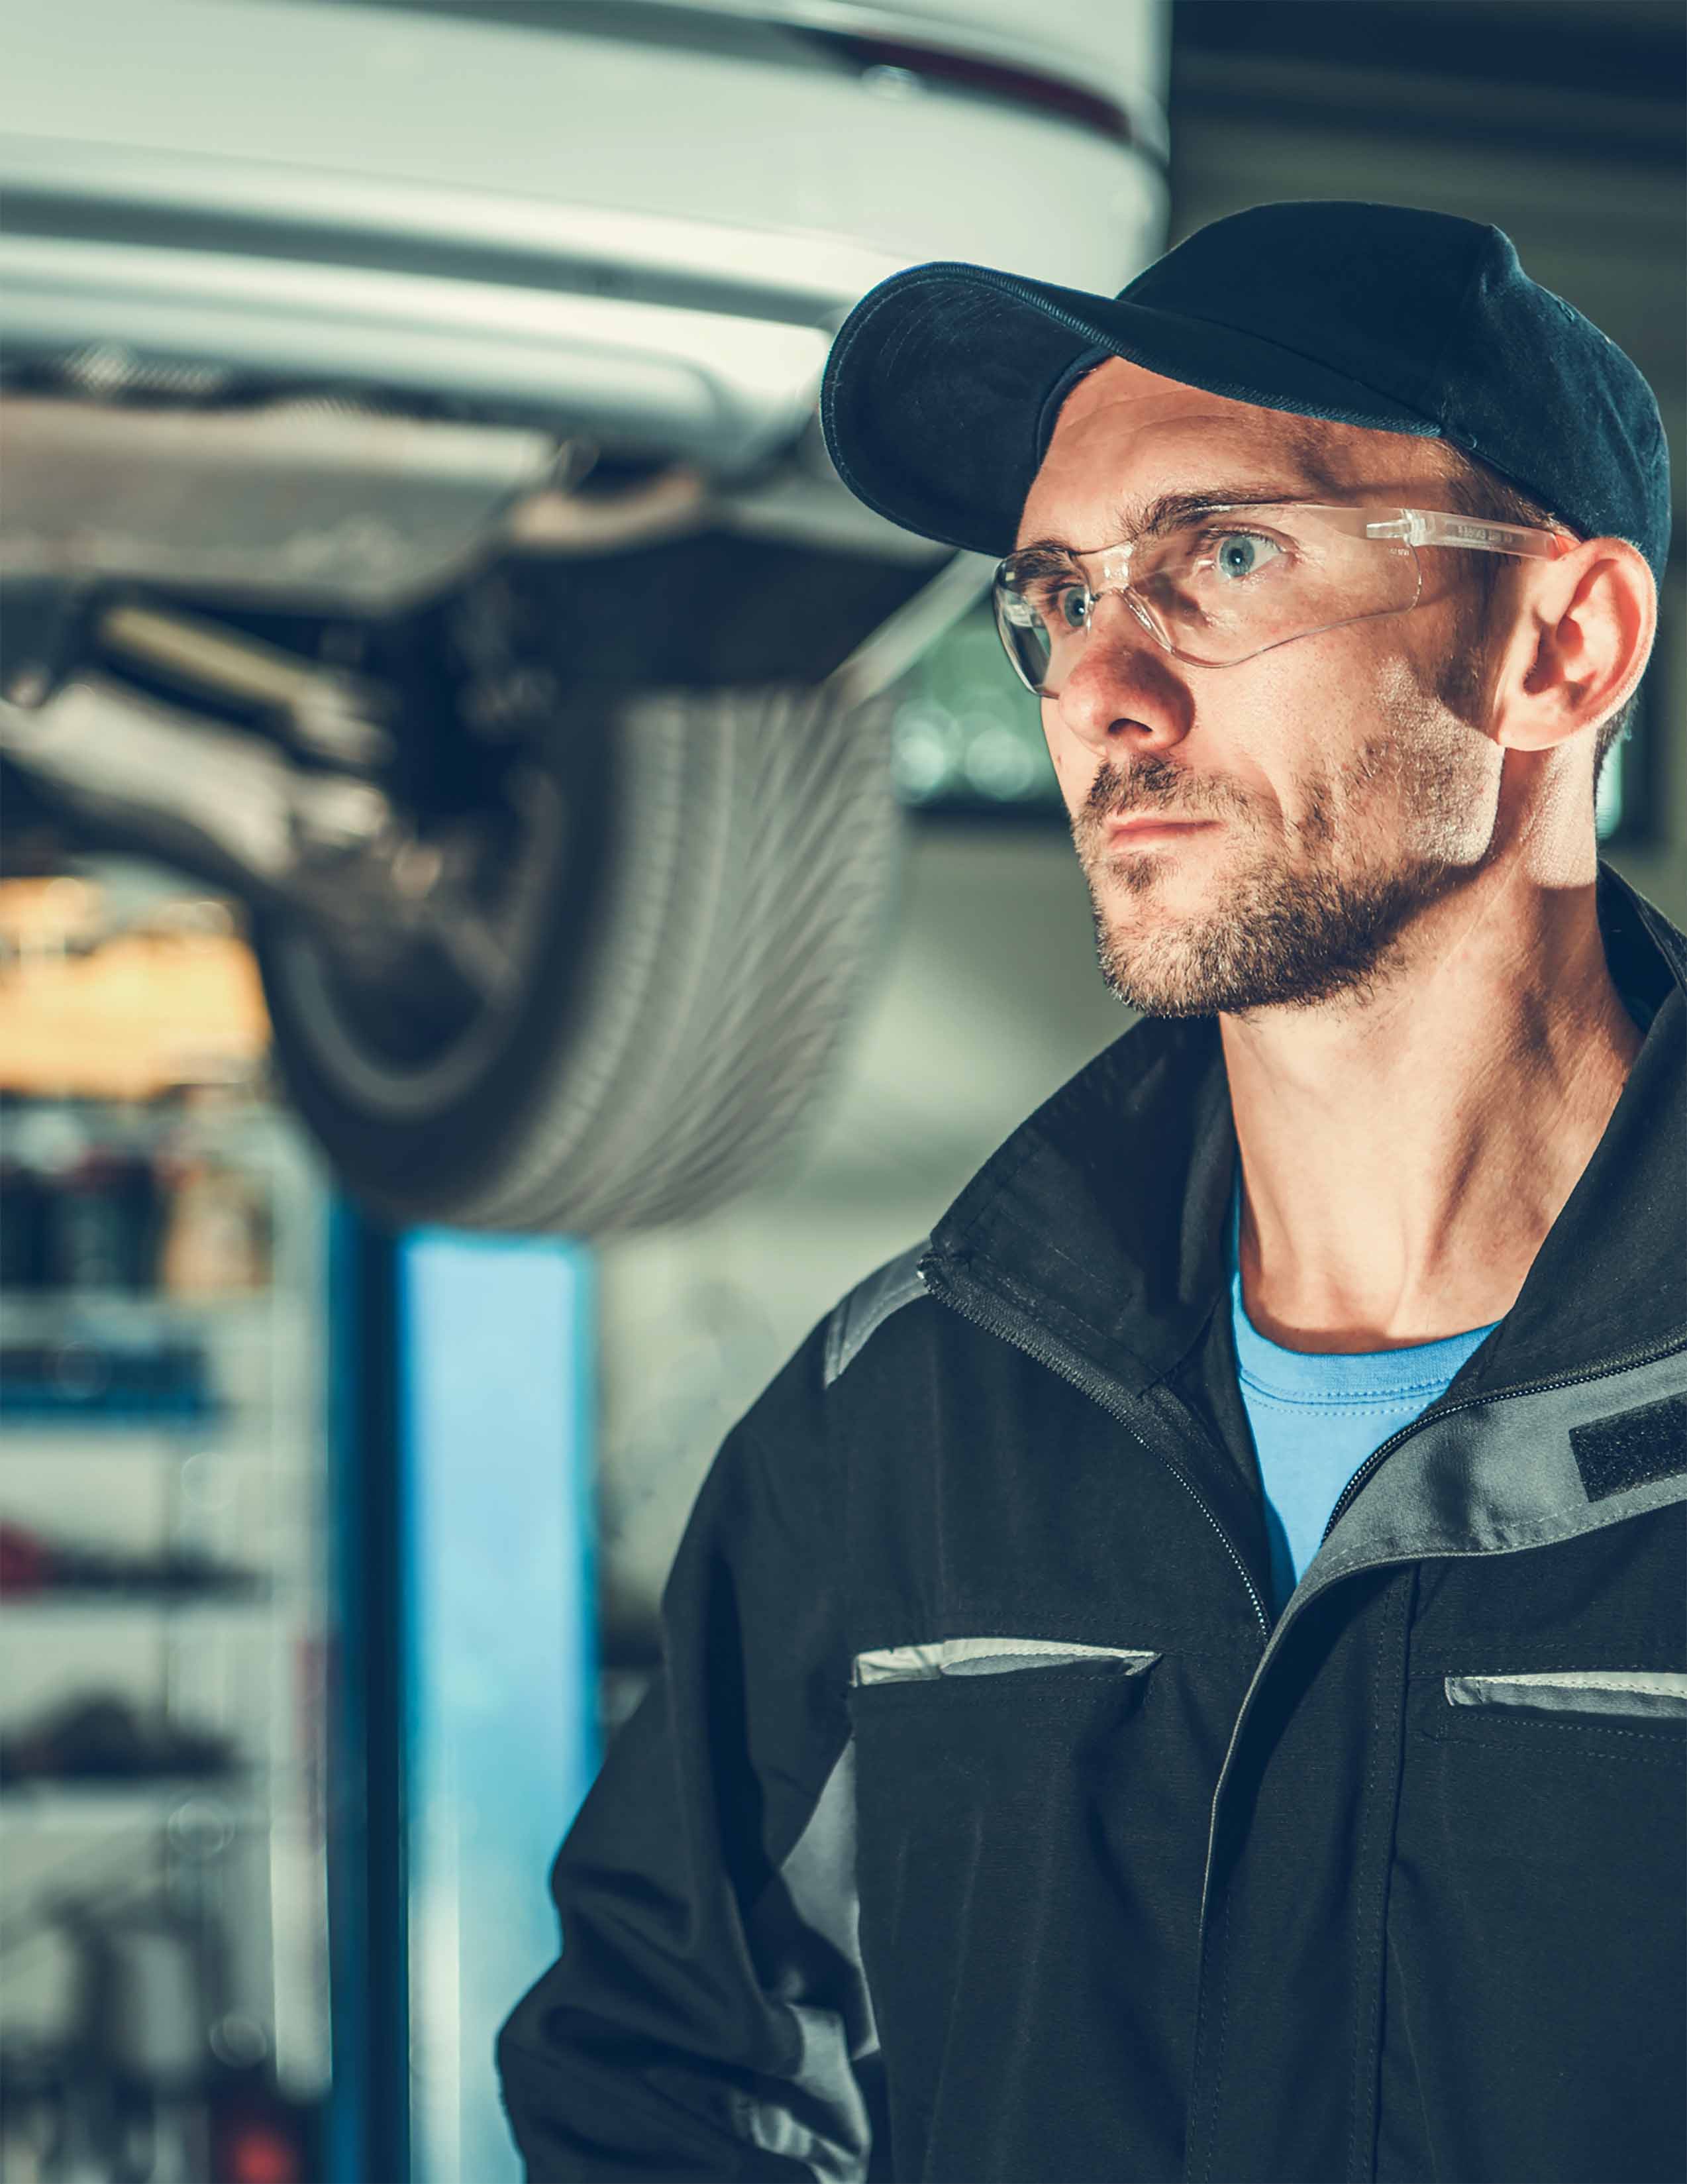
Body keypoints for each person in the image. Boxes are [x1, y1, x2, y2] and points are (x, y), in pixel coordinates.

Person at [497, 201, 1684, 2183]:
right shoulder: (904, 1418)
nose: (1098, 690)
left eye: (1223, 557)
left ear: (1558, 645)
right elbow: (666, 2062)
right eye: (1054, 592)